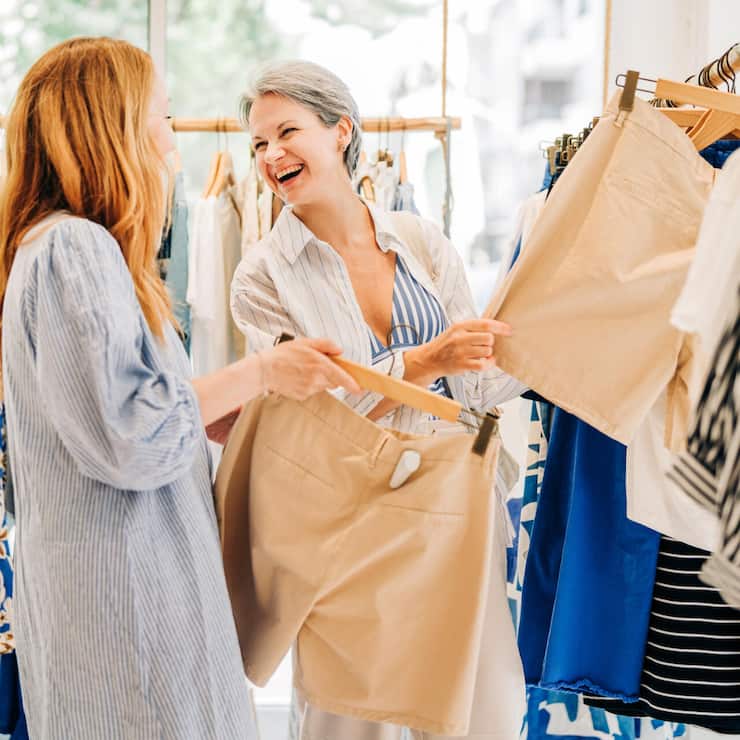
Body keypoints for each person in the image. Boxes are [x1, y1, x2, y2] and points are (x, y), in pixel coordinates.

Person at [0, 38, 359, 740]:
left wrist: (206, 412)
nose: (170, 138)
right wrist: (260, 371)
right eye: (160, 116)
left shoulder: (51, 249)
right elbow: (128, 438)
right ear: (115, 128)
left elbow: (102, 416)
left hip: (111, 602)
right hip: (132, 604)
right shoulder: (78, 250)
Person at [231, 60, 526, 740]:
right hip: (347, 514)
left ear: (340, 133)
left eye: (286, 132)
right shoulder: (263, 276)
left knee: (479, 709)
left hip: (456, 498)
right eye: (258, 143)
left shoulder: (420, 241)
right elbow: (316, 414)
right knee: (348, 715)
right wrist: (426, 360)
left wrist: (547, 348)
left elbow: (476, 384)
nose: (271, 155)